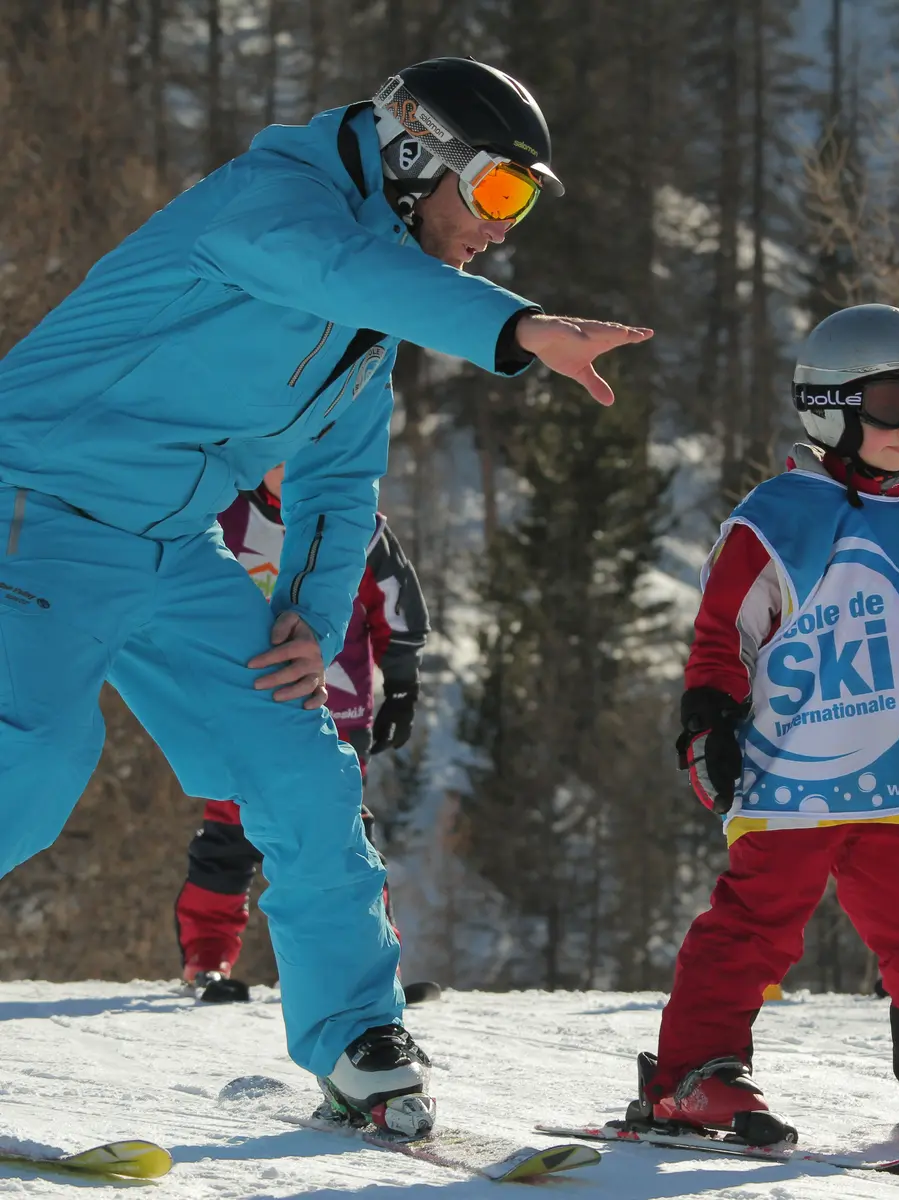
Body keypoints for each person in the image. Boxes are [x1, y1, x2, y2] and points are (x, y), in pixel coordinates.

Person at [0, 56, 651, 1137]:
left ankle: (358, 1037)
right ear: (413, 156)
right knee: (28, 763)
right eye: (494, 192)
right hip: (32, 510)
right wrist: (523, 331)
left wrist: (305, 609)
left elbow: (342, 478)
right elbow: (340, 272)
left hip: (167, 544)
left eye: (523, 205)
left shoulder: (367, 312)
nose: (503, 225)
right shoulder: (270, 207)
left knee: (300, 761)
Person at [627, 304, 899, 1148]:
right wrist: (709, 720)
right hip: (791, 767)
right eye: (892, 404)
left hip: (892, 774)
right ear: (831, 405)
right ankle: (693, 1074)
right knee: (756, 924)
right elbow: (726, 629)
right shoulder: (784, 514)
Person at [175, 464, 428, 1003]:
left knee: (346, 839)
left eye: (307, 452)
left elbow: (397, 606)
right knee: (231, 836)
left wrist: (401, 686)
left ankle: (377, 969)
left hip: (336, 711)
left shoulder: (355, 524)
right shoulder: (218, 514)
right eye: (279, 453)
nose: (290, 467)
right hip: (241, 708)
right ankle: (207, 960)